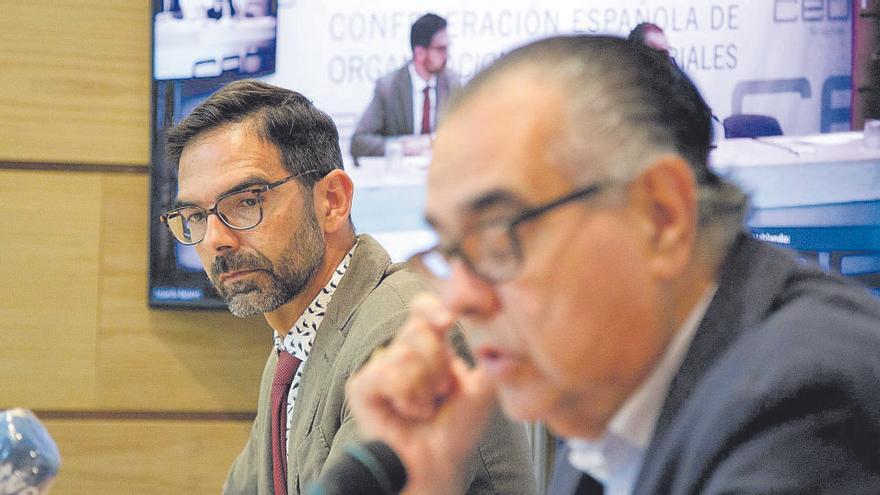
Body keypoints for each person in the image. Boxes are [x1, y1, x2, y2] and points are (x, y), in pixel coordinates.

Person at [347, 35, 880, 494]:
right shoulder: (605, 399)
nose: (457, 299)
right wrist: (430, 479)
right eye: (449, 251)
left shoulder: (804, 407)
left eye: (497, 236)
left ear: (661, 216)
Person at [160, 80, 535, 495]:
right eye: (195, 215)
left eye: (247, 201)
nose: (215, 239)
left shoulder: (401, 331)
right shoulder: (291, 345)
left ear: (332, 200)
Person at [350, 13, 460, 160]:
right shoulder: (388, 87)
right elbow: (359, 142)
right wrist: (401, 147)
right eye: (441, 49)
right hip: (400, 178)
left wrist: (430, 141)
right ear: (420, 53)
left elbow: (467, 134)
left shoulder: (452, 83)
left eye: (447, 47)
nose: (446, 55)